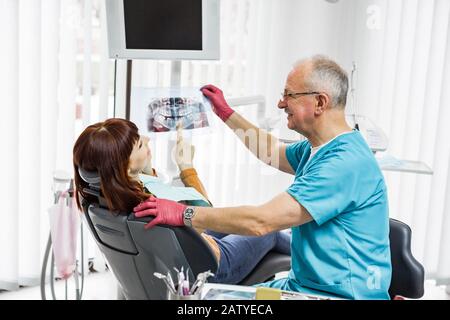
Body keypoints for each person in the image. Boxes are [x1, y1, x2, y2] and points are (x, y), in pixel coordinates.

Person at [133, 55, 392, 300]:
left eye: (289, 95)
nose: (281, 104)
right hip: (299, 286)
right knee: (211, 298)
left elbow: (261, 222)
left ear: (320, 103)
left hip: (337, 296)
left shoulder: (343, 163)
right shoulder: (319, 147)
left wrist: (182, 214)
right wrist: (226, 113)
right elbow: (271, 151)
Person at [72, 118, 291, 285]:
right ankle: (312, 249)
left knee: (238, 220)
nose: (147, 140)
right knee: (267, 229)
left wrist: (146, 169)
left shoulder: (103, 199)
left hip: (182, 257)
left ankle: (296, 238)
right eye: (140, 144)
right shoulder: (150, 205)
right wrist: (186, 167)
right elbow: (204, 212)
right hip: (211, 266)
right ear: (125, 168)